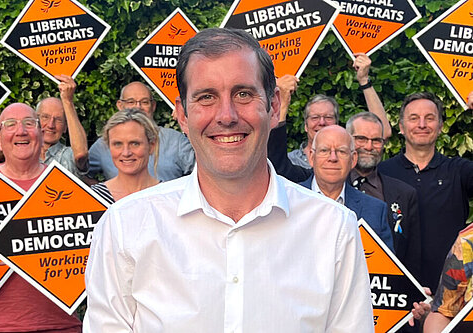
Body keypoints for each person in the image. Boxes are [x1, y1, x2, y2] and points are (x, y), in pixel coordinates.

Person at [83, 28, 373, 332]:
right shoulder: (126, 226)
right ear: (182, 115)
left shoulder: (333, 228)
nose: (226, 115)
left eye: (243, 94)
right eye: (206, 97)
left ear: (274, 106)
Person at [0, 103, 81, 331]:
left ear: (41, 135)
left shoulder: (67, 188)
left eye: (29, 124)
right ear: (0, 138)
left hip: (61, 326)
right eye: (11, 125)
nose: (20, 131)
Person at [378, 92, 473, 293]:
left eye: (429, 118)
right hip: (395, 294)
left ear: (440, 127)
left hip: (451, 293)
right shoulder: (381, 172)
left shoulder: (458, 171)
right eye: (414, 118)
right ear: (401, 127)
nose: (422, 124)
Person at [269, 53, 391, 181]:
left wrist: (364, 80)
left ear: (337, 124)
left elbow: (382, 132)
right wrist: (282, 102)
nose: (322, 122)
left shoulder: (347, 160)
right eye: (315, 117)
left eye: (328, 117)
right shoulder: (289, 161)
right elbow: (276, 166)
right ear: (305, 125)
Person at [346, 112, 421, 279]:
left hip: (386, 294)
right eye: (361, 139)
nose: (369, 146)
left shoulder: (404, 193)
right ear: (348, 141)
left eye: (376, 141)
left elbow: (412, 257)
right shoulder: (329, 188)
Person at [299, 125, 394, 251]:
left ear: (353, 159)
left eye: (341, 152)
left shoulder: (375, 210)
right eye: (324, 150)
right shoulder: (289, 201)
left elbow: (384, 268)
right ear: (311, 157)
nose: (333, 158)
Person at [87, 81, 195, 182]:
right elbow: (82, 174)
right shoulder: (105, 142)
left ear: (153, 106)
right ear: (120, 105)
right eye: (131, 102)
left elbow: (203, 173)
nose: (138, 107)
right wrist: (103, 195)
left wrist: (186, 124)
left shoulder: (175, 141)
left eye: (144, 102)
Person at [91, 109, 159, 204]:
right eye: (118, 144)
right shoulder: (93, 197)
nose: (126, 153)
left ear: (151, 146)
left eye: (134, 143)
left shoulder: (169, 195)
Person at [36, 75, 88, 177]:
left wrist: (68, 101)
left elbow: (80, 154)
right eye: (45, 117)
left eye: (58, 120)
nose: (51, 125)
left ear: (65, 127)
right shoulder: (23, 153)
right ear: (35, 120)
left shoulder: (67, 156)